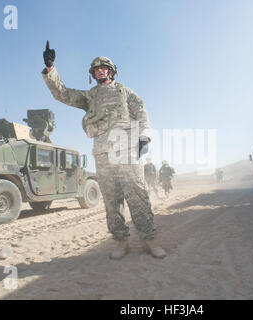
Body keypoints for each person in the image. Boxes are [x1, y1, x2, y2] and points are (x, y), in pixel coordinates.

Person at [41, 41, 166, 260]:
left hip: (127, 152)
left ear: (111, 71)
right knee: (111, 201)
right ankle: (121, 242)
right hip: (103, 155)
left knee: (138, 197)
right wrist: (51, 70)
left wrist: (145, 136)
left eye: (103, 68)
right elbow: (63, 94)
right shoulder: (90, 96)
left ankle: (149, 241)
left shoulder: (125, 92)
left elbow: (142, 113)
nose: (99, 71)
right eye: (95, 69)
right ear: (93, 74)